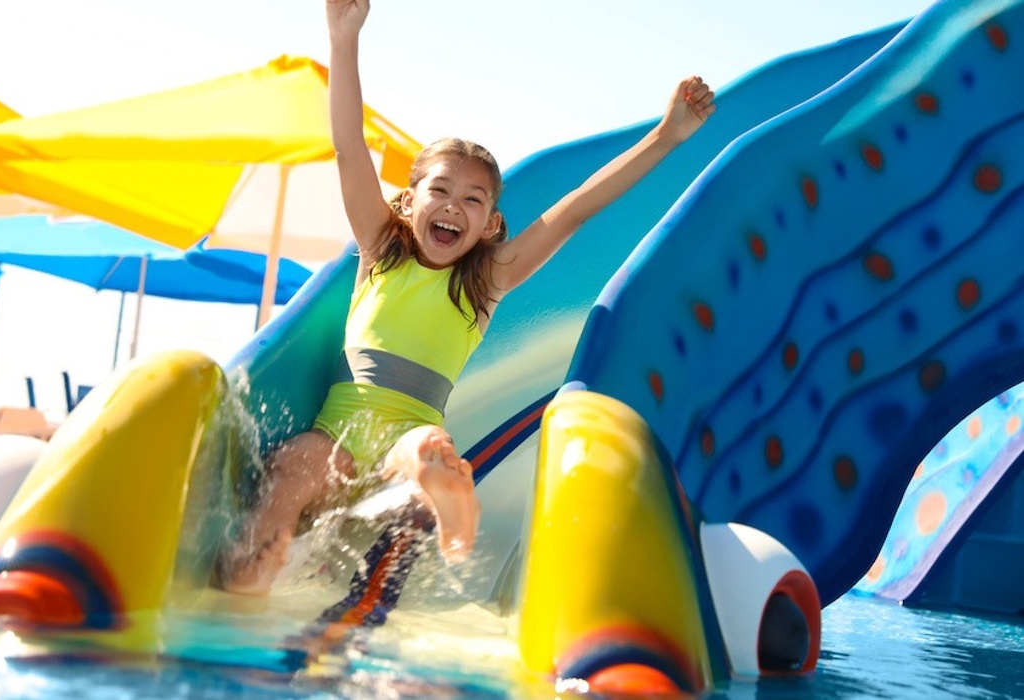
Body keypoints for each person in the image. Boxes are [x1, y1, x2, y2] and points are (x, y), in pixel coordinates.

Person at [219, 0, 716, 596]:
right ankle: (253, 570)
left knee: (427, 452)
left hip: (409, 434)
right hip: (337, 434)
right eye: (440, 189)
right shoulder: (381, 250)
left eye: (474, 199)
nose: (454, 205)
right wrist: (342, 36)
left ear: (490, 225)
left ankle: (443, 493)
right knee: (291, 468)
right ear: (408, 202)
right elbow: (350, 146)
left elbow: (576, 208)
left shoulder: (484, 282)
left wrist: (665, 137)